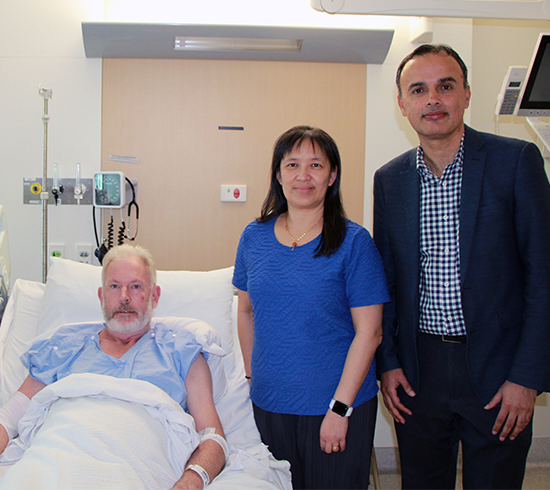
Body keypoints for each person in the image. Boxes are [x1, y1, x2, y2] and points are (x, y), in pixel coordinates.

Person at [374, 44, 550, 489]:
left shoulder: (515, 162)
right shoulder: (390, 180)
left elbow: (543, 276)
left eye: (445, 86)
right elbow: (387, 281)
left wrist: (526, 378)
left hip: (498, 369)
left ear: (466, 94)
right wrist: (389, 363)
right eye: (418, 89)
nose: (432, 99)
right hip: (419, 372)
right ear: (402, 104)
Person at [0, 244, 227, 490]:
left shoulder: (182, 351)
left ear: (154, 296)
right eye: (114, 287)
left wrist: (189, 482)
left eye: (136, 286)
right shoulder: (64, 346)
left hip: (136, 463)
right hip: (57, 454)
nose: (125, 297)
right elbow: (6, 418)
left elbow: (213, 438)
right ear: (101, 296)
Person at [233, 126, 389, 489]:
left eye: (316, 165)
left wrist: (340, 408)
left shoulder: (354, 243)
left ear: (332, 175)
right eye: (292, 165)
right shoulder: (253, 237)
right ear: (278, 173)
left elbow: (370, 332)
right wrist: (254, 375)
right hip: (270, 403)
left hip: (334, 405)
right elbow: (245, 311)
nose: (303, 176)